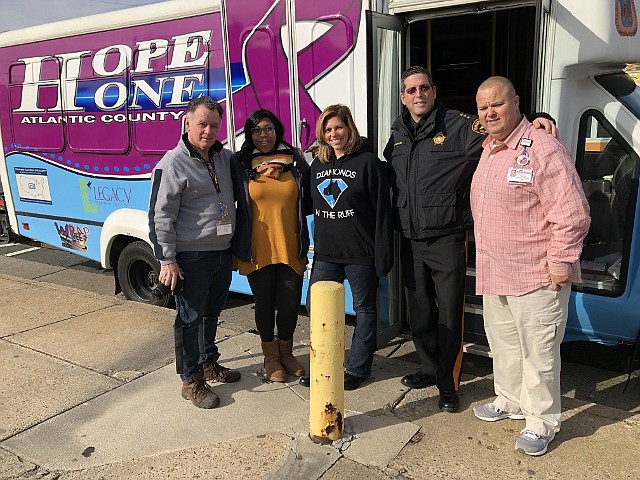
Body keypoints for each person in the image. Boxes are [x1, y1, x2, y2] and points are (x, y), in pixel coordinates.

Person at [383, 66, 556, 413]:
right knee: (419, 312)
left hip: (447, 237)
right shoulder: (398, 133)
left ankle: (448, 383)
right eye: (411, 90)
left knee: (449, 316)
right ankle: (428, 368)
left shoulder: (461, 126)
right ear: (403, 97)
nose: (418, 95)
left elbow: (504, 130)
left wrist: (538, 117)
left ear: (433, 91)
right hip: (411, 239)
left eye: (424, 88)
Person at [470, 76, 590, 456]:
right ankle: (509, 400)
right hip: (496, 273)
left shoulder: (542, 147)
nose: (490, 112)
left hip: (538, 275)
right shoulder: (489, 148)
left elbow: (572, 214)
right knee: (504, 347)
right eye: (483, 106)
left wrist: (560, 263)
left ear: (517, 102)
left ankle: (541, 422)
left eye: (498, 104)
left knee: (539, 354)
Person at [148, 96, 249, 409]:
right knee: (190, 319)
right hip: (191, 257)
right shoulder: (171, 163)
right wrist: (167, 259)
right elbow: (159, 216)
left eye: (215, 125)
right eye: (202, 123)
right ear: (187, 123)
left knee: (211, 314)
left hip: (220, 252)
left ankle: (207, 362)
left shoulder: (223, 157)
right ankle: (191, 380)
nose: (209, 130)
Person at [299, 104, 393, 390]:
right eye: (327, 129)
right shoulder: (318, 164)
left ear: (349, 128)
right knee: (318, 307)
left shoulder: (369, 164)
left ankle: (357, 368)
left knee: (365, 310)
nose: (333, 134)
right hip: (327, 253)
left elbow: (382, 213)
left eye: (338, 127)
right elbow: (307, 205)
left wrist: (382, 254)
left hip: (360, 252)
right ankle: (324, 363)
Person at [232, 109, 312, 382]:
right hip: (258, 248)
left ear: (277, 130)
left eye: (268, 129)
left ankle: (287, 352)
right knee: (264, 304)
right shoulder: (241, 164)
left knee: (290, 304)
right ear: (249, 134)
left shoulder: (296, 161)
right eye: (256, 130)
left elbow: (311, 198)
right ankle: (271, 357)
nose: (263, 135)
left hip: (290, 246)